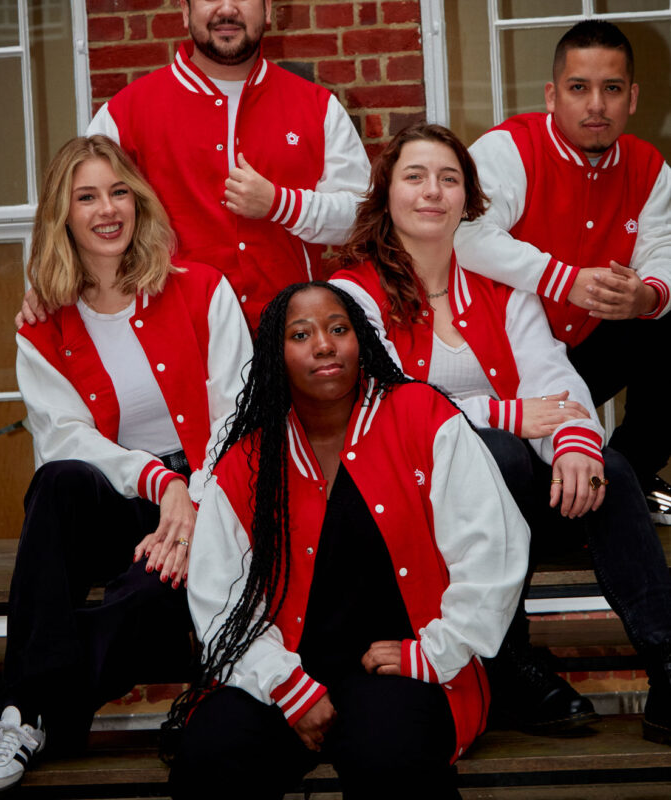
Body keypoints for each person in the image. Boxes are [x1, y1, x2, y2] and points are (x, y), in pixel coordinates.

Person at [330, 122, 671, 743]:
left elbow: (554, 380)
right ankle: (507, 659)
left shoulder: (503, 288)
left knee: (612, 471)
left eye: (449, 178)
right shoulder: (351, 296)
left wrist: (573, 443)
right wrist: (509, 415)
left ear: (468, 200)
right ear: (385, 195)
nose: (432, 191)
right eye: (415, 176)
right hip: (407, 509)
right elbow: (386, 408)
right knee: (497, 450)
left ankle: (667, 663)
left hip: (505, 505)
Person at [166, 282, 529, 800]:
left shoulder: (422, 417)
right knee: (211, 755)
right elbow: (218, 594)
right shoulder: (247, 458)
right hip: (283, 668)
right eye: (301, 334)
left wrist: (437, 651)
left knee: (389, 757)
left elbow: (494, 546)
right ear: (275, 353)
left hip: (402, 667)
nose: (324, 345)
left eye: (339, 329)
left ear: (361, 341)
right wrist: (285, 686)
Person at [0, 136, 251, 792]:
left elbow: (242, 414)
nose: (107, 209)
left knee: (151, 596)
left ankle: (26, 711)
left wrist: (197, 500)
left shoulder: (201, 291)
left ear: (137, 200)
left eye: (117, 192)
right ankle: (31, 707)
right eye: (86, 197)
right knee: (55, 483)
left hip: (215, 492)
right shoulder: (42, 327)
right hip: (123, 497)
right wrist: (158, 480)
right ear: (62, 216)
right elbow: (64, 438)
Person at [76, 0, 367, 331]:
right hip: (175, 336)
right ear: (185, 10)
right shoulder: (125, 113)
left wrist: (281, 204)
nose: (227, 8)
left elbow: (361, 216)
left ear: (266, 8)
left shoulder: (318, 106)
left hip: (287, 340)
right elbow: (78, 214)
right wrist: (52, 285)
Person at [454, 20, 671, 519]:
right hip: (505, 361)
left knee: (666, 317)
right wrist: (565, 280)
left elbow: (661, 248)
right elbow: (466, 238)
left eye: (611, 89)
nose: (596, 105)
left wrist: (646, 295)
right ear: (552, 95)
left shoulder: (649, 166)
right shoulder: (509, 149)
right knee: (520, 473)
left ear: (632, 97)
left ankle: (631, 473)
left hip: (588, 349)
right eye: (579, 88)